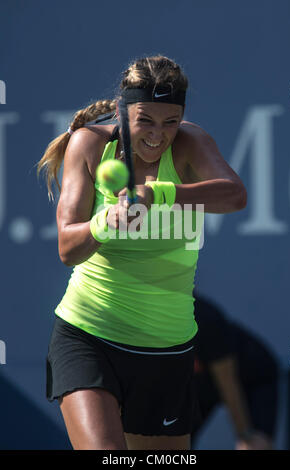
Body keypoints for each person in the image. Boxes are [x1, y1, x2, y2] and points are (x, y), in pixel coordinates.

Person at [38, 55, 247, 450]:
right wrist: (106, 222)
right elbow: (68, 247)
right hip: (88, 335)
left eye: (171, 121)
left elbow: (235, 195)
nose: (159, 134)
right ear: (122, 112)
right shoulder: (88, 144)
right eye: (145, 120)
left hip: (167, 350)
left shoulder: (192, 142)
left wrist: (161, 194)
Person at [191, 293, 279, 450]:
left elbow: (229, 385)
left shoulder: (205, 317)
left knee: (254, 444)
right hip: (202, 384)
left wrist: (244, 435)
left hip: (251, 377)